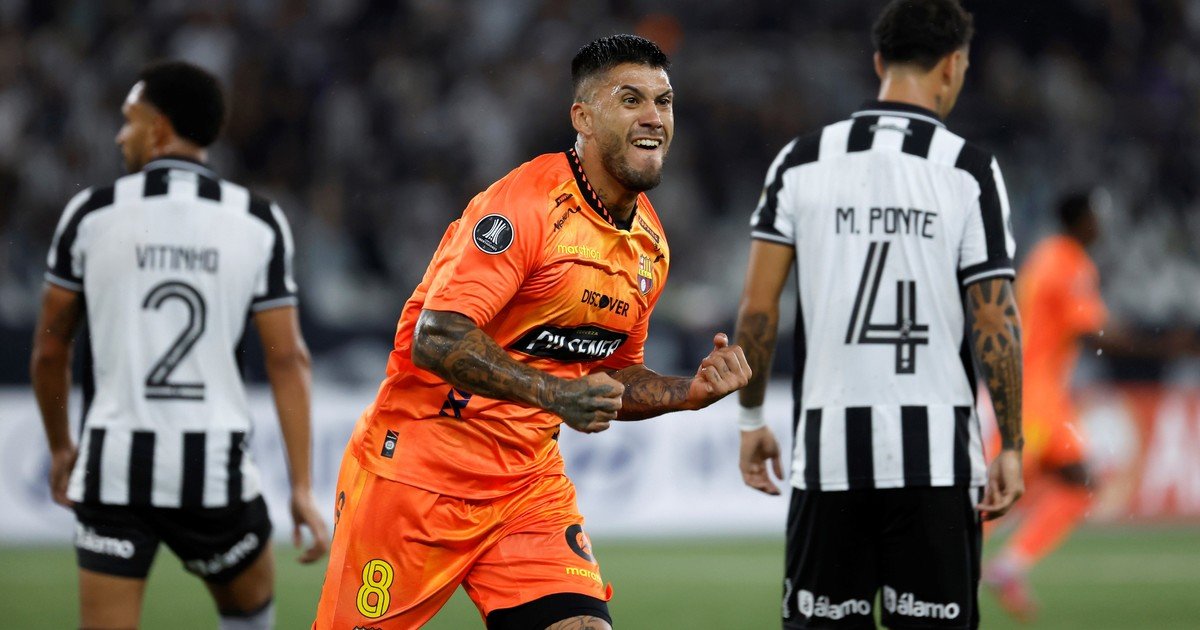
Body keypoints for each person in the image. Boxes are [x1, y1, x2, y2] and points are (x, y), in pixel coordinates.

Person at [312, 34, 750, 630]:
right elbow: (436, 337)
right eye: (631, 100)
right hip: (416, 477)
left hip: (527, 487)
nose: (654, 117)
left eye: (664, 101)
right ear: (583, 119)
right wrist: (555, 394)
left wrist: (687, 393)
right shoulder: (525, 206)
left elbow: (612, 376)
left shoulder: (650, 246)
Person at [733, 1, 1023, 628]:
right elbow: (994, 319)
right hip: (937, 464)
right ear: (952, 66)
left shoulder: (800, 161)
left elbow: (758, 309)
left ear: (877, 63)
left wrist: (751, 418)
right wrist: (1013, 443)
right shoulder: (970, 169)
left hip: (828, 459)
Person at [30, 60, 329, 630]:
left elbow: (49, 350)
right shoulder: (258, 219)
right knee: (250, 611)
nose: (121, 135)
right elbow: (288, 358)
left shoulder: (90, 214)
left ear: (159, 129)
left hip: (113, 468)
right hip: (213, 472)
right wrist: (300, 487)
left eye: (129, 120)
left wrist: (62, 446)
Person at [981, 191, 1192, 621]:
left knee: (1077, 484)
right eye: (1096, 217)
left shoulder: (1046, 256)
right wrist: (1164, 346)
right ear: (1080, 219)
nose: (1101, 226)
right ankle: (940, 561)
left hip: (1044, 395)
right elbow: (1094, 333)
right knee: (996, 494)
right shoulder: (1068, 262)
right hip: (1032, 397)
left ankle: (1006, 566)